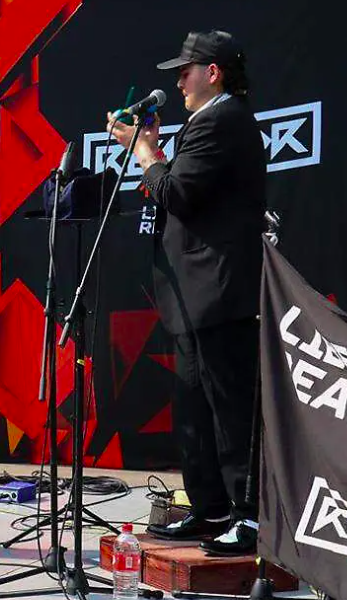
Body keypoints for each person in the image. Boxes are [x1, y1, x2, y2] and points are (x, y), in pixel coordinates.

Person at [108, 31, 266, 555]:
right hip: (194, 294)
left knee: (229, 409)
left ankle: (250, 517)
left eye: (185, 71)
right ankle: (210, 507)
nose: (178, 82)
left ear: (212, 72)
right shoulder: (208, 122)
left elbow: (175, 192)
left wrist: (144, 152)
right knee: (194, 408)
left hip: (219, 291)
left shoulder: (224, 119)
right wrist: (154, 150)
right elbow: (183, 188)